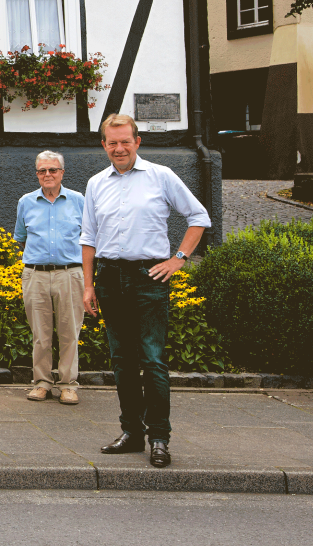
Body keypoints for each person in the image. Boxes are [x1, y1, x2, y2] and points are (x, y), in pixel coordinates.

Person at [80, 114, 211, 469]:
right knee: (122, 361)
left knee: (152, 359)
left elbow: (198, 217)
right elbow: (88, 237)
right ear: (103, 145)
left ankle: (159, 438)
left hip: (148, 277)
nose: (119, 148)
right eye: (112, 142)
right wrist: (88, 285)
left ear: (138, 142)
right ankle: (131, 433)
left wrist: (178, 258)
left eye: (125, 141)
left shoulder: (161, 177)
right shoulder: (96, 183)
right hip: (109, 277)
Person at [13, 150, 85, 405]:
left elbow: (88, 239)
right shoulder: (26, 202)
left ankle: (68, 384)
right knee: (40, 333)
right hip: (36, 274)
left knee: (69, 332)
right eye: (42, 171)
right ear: (37, 174)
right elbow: (21, 238)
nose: (47, 175)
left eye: (52, 170)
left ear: (62, 173)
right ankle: (41, 383)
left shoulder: (78, 201)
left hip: (70, 273)